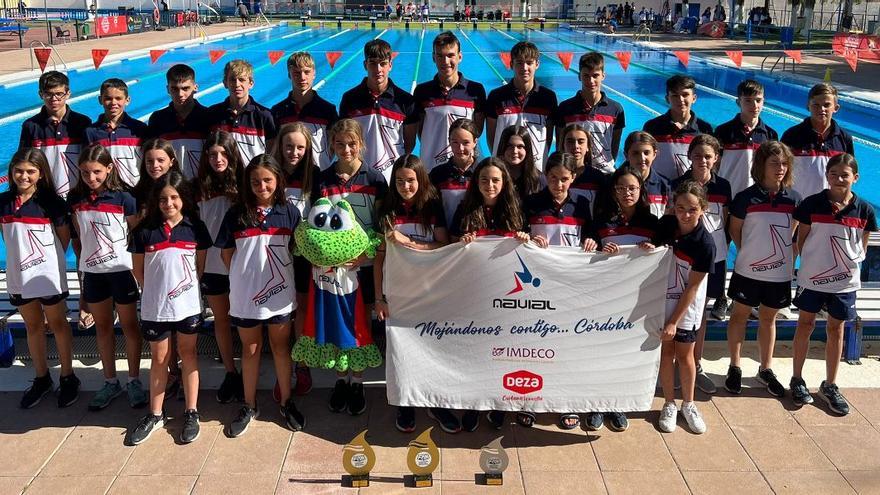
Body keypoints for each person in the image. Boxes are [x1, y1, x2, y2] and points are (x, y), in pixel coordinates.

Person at [294, 119, 386, 416]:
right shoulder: (323, 179)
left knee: (360, 328)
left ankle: (357, 381)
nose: (346, 149)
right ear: (331, 145)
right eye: (339, 144)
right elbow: (314, 226)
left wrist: (365, 256)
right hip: (329, 272)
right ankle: (340, 380)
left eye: (352, 144)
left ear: (361, 144)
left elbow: (383, 226)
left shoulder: (375, 179)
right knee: (335, 325)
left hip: (365, 267)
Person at [215, 154, 306, 437]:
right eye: (256, 181)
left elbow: (298, 250)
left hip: (279, 296)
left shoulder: (290, 213)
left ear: (278, 181)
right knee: (251, 349)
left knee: (281, 348)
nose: (262, 186)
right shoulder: (237, 213)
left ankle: (287, 401)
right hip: (246, 297)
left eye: (267, 180)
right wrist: (245, 279)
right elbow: (227, 253)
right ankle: (249, 404)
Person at [126, 170, 212, 445]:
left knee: (188, 354)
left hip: (187, 305)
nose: (169, 204)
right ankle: (155, 413)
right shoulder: (144, 231)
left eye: (174, 197)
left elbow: (199, 268)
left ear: (183, 199)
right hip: (156, 307)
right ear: (156, 201)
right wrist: (159, 293)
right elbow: (138, 271)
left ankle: (191, 411)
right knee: (160, 359)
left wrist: (181, 293)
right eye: (163, 199)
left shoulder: (195, 228)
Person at [790, 154, 876, 415]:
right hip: (812, 278)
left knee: (836, 330)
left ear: (855, 178)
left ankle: (830, 384)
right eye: (834, 174)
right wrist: (813, 263)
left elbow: (863, 241)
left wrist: (848, 264)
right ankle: (797, 378)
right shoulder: (811, 204)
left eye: (845, 175)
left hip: (845, 282)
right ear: (827, 176)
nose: (839, 179)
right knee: (805, 324)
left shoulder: (864, 210)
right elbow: (800, 239)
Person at [450, 157, 530, 432]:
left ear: (504, 182)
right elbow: (449, 246)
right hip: (474, 292)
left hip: (506, 294)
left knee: (501, 352)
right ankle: (475, 403)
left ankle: (496, 402)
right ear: (476, 183)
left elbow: (529, 250)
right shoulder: (466, 208)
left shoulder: (516, 210)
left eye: (495, 180)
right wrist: (461, 241)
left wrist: (525, 239)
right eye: (484, 179)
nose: (490, 185)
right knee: (476, 351)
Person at [374, 154, 449, 432]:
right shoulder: (387, 211)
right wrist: (379, 298)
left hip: (430, 292)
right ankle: (404, 403)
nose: (406, 186)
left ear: (421, 179)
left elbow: (443, 246)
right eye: (400, 181)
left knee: (433, 348)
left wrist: (410, 242)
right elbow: (380, 258)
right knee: (401, 351)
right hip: (398, 294)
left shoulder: (432, 206)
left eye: (411, 180)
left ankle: (435, 401)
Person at [68, 143, 145, 411]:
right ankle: (110, 381)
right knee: (103, 328)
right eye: (86, 173)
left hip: (121, 272)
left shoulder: (124, 198)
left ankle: (134, 380)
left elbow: (135, 231)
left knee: (130, 326)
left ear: (109, 168)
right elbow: (79, 238)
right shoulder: (75, 199)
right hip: (93, 274)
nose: (92, 178)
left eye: (97, 172)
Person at [2, 149, 79, 409]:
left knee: (58, 323)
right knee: (33, 326)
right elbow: (7, 238)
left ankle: (68, 376)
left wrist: (51, 261)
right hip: (18, 275)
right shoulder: (3, 202)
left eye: (30, 171)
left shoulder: (51, 202)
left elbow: (64, 237)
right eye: (19, 170)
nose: (24, 176)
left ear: (41, 173)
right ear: (11, 172)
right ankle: (42, 377)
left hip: (48, 275)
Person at [725, 141, 801, 397]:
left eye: (783, 163)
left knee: (768, 319)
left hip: (778, 274)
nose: (780, 168)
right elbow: (735, 229)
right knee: (739, 316)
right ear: (761, 165)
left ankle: (765, 369)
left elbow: (795, 235)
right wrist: (750, 254)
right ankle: (735, 365)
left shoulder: (794, 199)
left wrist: (786, 258)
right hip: (748, 270)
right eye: (774, 163)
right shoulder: (746, 197)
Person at [670, 135, 731, 395]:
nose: (703, 161)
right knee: (674, 306)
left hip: (711, 257)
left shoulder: (724, 186)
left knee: (700, 312)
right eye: (697, 156)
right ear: (689, 157)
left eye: (708, 156)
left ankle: (695, 361)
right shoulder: (678, 184)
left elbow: (726, 221)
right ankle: (673, 361)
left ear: (716, 158)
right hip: (681, 257)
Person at [655, 181, 715, 434]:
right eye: (680, 208)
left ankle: (688, 404)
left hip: (686, 308)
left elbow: (692, 288)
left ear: (703, 208)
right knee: (666, 353)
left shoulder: (705, 243)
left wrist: (673, 322)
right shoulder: (666, 226)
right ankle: (669, 404)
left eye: (692, 209)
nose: (685, 214)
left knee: (685, 355)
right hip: (661, 301)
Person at [195, 131, 244, 404]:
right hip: (213, 265)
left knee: (249, 320)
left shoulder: (244, 185)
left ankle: (248, 367)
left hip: (241, 264)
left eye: (223, 154)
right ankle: (230, 371)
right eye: (213, 154)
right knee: (222, 320)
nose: (218, 159)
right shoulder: (198, 187)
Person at [273, 122, 321, 398]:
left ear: (308, 149)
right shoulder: (271, 173)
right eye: (289, 146)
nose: (294, 152)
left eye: (300, 147)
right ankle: (283, 366)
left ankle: (301, 364)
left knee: (301, 309)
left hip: (302, 255)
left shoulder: (313, 176)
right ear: (280, 146)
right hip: (276, 252)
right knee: (280, 311)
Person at [338, 39, 416, 183]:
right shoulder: (350, 99)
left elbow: (409, 144)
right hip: (358, 175)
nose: (378, 69)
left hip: (393, 176)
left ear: (390, 65)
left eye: (383, 63)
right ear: (365, 65)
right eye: (373, 63)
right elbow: (344, 139)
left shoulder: (405, 101)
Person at [412, 31, 486, 170]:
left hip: (467, 167)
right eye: (440, 56)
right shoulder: (422, 92)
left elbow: (477, 130)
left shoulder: (475, 90)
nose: (445, 61)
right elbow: (421, 131)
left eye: (450, 55)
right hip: (431, 166)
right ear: (434, 58)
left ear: (460, 57)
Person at [486, 41, 557, 171]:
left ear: (537, 64)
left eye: (529, 63)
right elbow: (491, 136)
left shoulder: (548, 98)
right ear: (511, 64)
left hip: (536, 171)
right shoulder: (496, 96)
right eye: (519, 63)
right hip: (504, 171)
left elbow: (548, 137)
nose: (524, 68)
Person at [19, 71, 92, 198]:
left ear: (68, 93)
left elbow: (91, 160)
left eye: (59, 94)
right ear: (41, 94)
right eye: (48, 94)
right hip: (43, 196)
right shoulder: (31, 126)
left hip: (78, 195)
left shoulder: (82, 123)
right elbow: (23, 163)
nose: (54, 99)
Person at [555, 52, 626, 174]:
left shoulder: (616, 109)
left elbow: (614, 147)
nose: (591, 80)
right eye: (586, 76)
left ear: (603, 76)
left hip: (605, 173)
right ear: (579, 76)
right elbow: (560, 145)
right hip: (573, 173)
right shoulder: (565, 108)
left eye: (595, 75)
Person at [781, 83, 855, 200]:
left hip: (829, 210)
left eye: (827, 105)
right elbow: (781, 172)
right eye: (816, 105)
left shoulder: (844, 139)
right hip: (798, 207)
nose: (821, 109)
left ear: (836, 108)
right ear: (808, 106)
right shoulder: (792, 136)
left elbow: (849, 175)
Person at [271, 52, 339, 170]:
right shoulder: (278, 111)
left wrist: (322, 161)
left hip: (319, 176)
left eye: (307, 72)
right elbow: (274, 147)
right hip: (288, 178)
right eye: (296, 73)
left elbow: (334, 145)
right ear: (289, 75)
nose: (302, 77)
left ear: (314, 74)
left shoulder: (327, 110)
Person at [714, 79, 778, 202]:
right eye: (748, 101)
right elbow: (715, 164)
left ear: (763, 101)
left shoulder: (770, 134)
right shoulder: (723, 131)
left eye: (758, 100)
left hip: (757, 198)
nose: (754, 106)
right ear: (739, 102)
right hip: (728, 195)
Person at [206, 60, 277, 166]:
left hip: (252, 180)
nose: (237, 84)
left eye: (242, 80)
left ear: (251, 83)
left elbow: (271, 154)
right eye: (232, 80)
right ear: (225, 83)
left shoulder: (264, 116)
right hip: (224, 180)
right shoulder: (213, 114)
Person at [642, 75, 713, 182]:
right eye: (675, 95)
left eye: (685, 95)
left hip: (691, 191)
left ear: (694, 98)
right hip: (660, 190)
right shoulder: (652, 127)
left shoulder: (704, 129)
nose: (680, 99)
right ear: (667, 99)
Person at [147, 64, 211, 180]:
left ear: (195, 87)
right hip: (170, 186)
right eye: (174, 89)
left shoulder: (208, 116)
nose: (180, 94)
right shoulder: (158, 119)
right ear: (168, 89)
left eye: (185, 88)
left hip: (202, 187)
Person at [85, 79, 148, 188]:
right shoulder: (91, 132)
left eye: (118, 98)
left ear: (127, 100)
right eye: (108, 98)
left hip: (136, 192)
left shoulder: (139, 129)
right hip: (105, 192)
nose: (113, 103)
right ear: (100, 100)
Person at [429, 118, 479, 229]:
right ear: (449, 141)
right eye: (455, 142)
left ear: (475, 142)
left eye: (466, 143)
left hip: (475, 239)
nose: (460, 148)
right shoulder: (437, 174)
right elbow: (431, 211)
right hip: (444, 239)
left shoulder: (483, 172)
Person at [622, 131, 670, 218]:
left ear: (654, 154)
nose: (642, 158)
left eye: (646, 153)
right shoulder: (615, 184)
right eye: (635, 153)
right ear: (626, 155)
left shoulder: (665, 186)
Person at [562, 123, 605, 216]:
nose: (576, 146)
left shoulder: (598, 178)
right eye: (570, 141)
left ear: (588, 147)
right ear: (563, 145)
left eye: (581, 141)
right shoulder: (553, 175)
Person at [496, 125, 544, 204]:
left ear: (527, 150)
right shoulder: (493, 176)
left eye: (520, 146)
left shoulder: (538, 179)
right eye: (509, 146)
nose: (514, 151)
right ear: (503, 148)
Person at [132, 138, 182, 211]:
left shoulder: (181, 189)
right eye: (150, 161)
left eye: (160, 160)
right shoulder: (138, 193)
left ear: (171, 162)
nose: (155, 165)